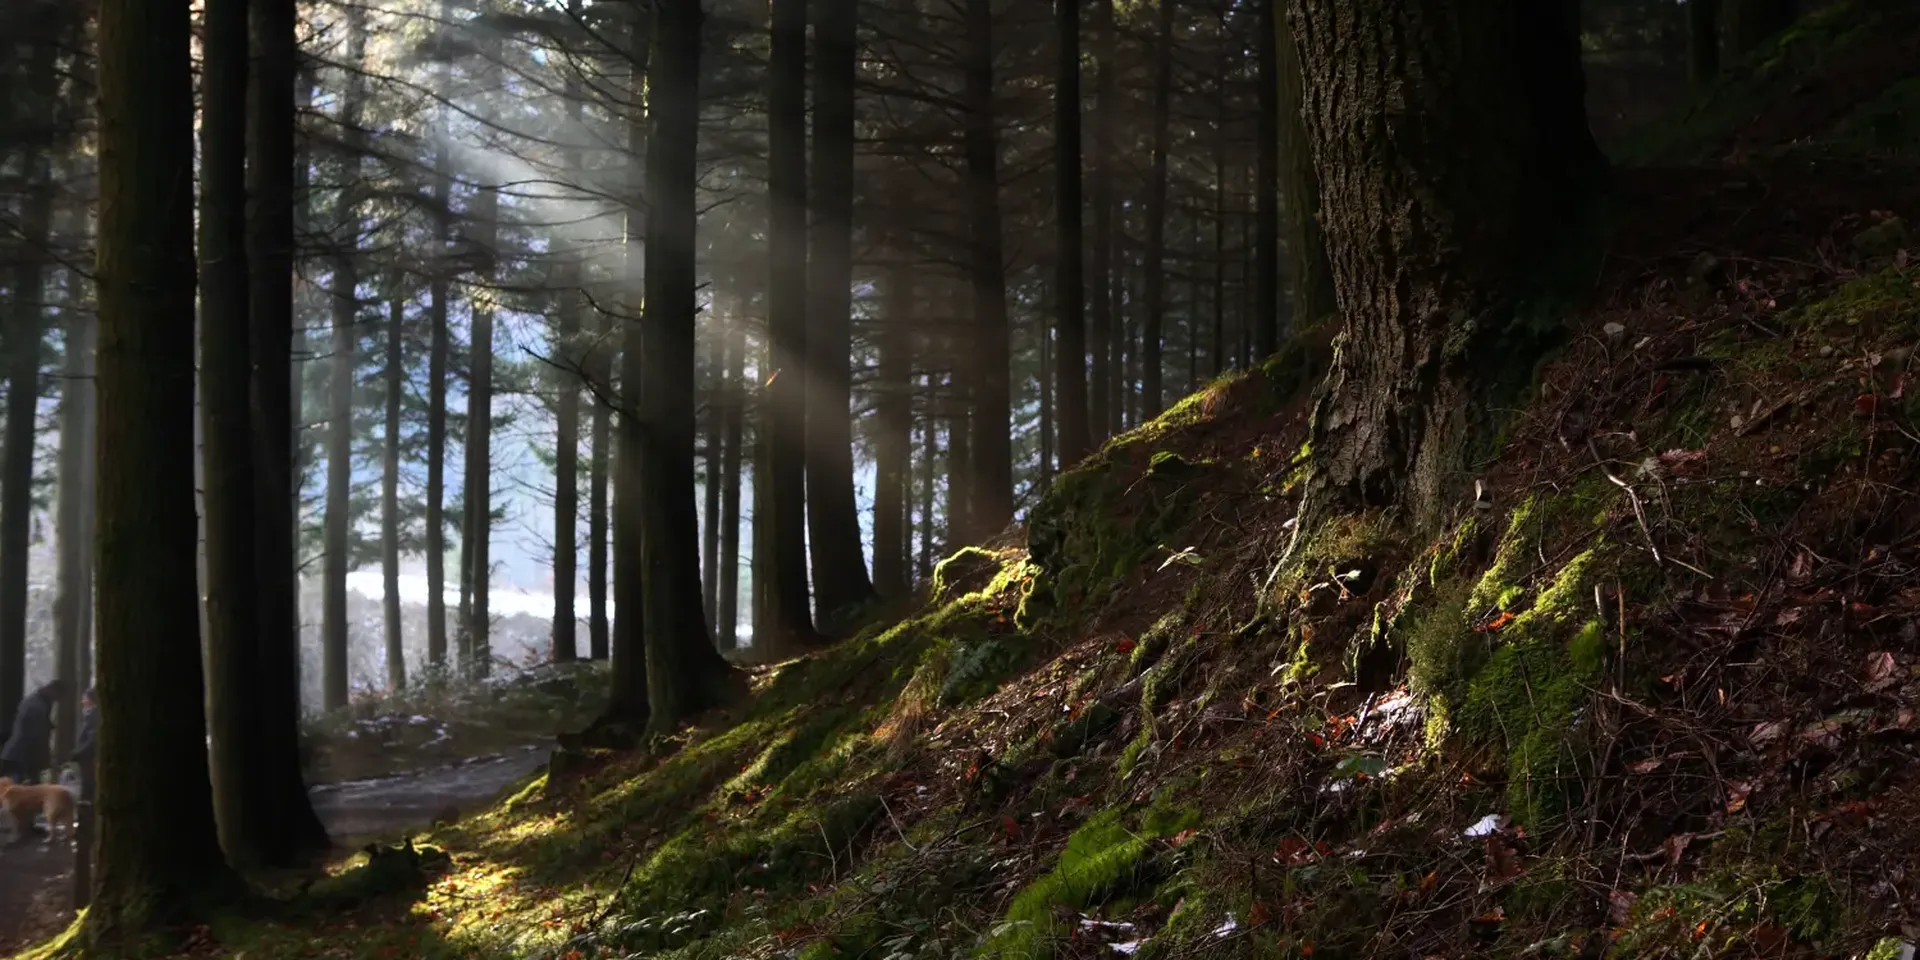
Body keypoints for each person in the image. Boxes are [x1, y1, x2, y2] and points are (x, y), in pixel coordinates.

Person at [0, 678, 69, 785]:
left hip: (23, 756)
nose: (57, 700)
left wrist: (48, 725)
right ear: (53, 691)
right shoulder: (36, 707)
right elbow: (36, 735)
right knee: (16, 791)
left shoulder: (38, 701)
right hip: (21, 757)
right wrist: (47, 759)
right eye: (58, 696)